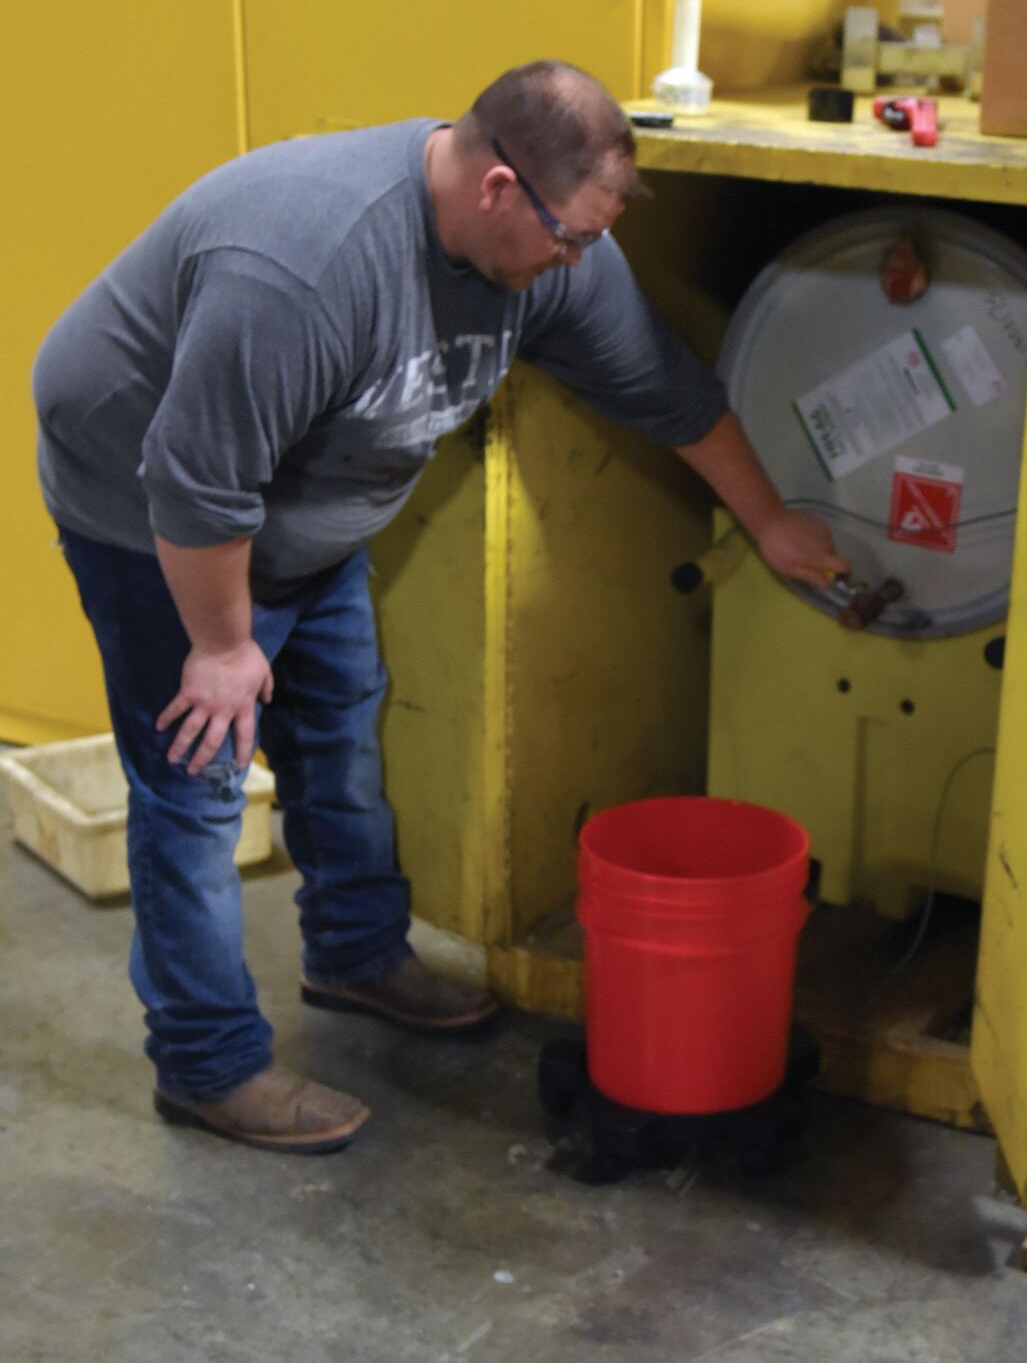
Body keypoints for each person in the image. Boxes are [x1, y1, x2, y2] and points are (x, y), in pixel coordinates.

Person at [32, 60, 848, 1155]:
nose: (576, 263)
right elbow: (195, 482)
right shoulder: (304, 266)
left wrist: (770, 520)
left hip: (302, 512)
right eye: (568, 238)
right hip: (151, 514)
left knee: (337, 726)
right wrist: (221, 649)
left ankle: (355, 954)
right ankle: (206, 1064)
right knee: (198, 788)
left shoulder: (551, 248)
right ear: (498, 187)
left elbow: (662, 385)